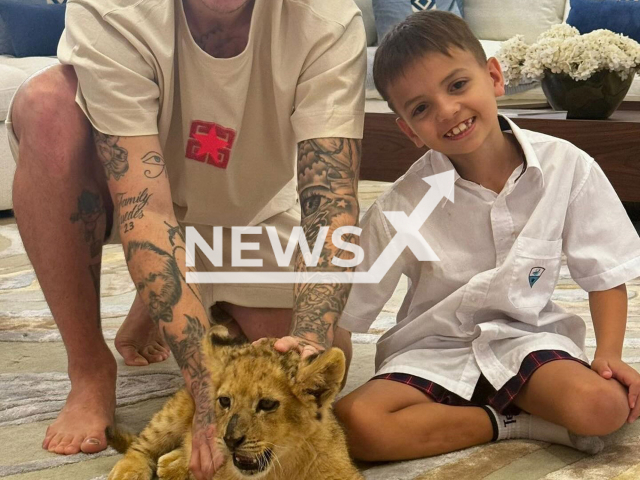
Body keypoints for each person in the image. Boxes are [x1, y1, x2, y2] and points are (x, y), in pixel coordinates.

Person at [6, 0, 365, 478]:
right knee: (47, 104)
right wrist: (204, 396)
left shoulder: (329, 18)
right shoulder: (114, 8)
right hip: (125, 199)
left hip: (244, 215)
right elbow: (146, 209)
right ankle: (91, 367)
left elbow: (332, 205)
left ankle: (182, 299)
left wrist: (310, 343)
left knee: (327, 346)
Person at [334, 10, 640, 462]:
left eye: (457, 85)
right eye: (421, 108)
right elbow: (347, 312)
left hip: (527, 342)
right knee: (354, 426)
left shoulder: (566, 166)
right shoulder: (399, 206)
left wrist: (609, 353)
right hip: (430, 351)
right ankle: (514, 422)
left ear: (494, 76)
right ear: (408, 130)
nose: (448, 110)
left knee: (604, 406)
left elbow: (605, 270)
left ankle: (502, 410)